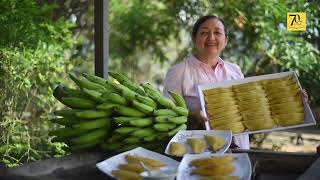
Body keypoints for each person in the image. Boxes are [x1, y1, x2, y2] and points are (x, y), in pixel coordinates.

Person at [163, 15, 250, 149]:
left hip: (241, 150)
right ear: (194, 39)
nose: (211, 38)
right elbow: (166, 118)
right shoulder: (178, 72)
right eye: (204, 33)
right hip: (201, 153)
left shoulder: (235, 70)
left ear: (225, 40)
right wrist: (191, 117)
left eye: (217, 32)